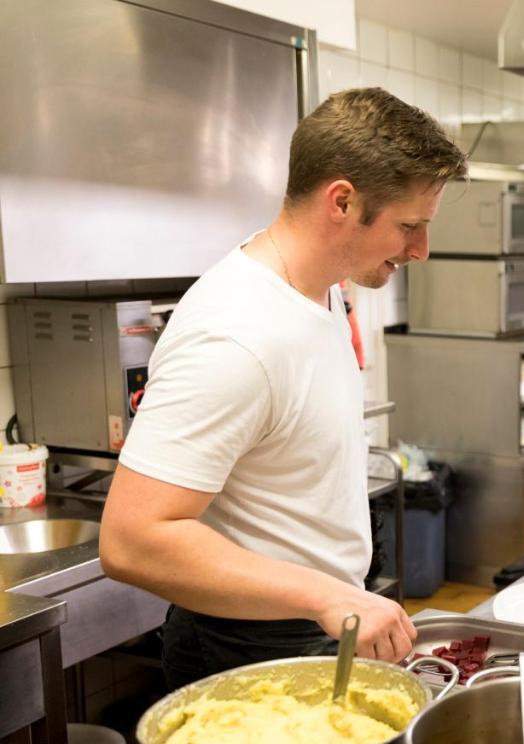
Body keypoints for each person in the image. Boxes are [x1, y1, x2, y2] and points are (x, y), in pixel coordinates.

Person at [99, 88, 468, 689]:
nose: (420, 250)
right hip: (245, 648)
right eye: (409, 226)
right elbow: (132, 541)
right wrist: (325, 594)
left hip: (316, 620)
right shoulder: (234, 334)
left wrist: (339, 597)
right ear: (342, 201)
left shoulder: (324, 291)